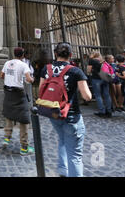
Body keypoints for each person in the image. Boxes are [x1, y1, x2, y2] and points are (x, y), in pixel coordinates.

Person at [39, 42, 92, 177]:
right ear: (71, 55)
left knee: (62, 139)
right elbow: (87, 96)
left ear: (55, 54)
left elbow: (41, 90)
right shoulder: (75, 71)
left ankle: (63, 170)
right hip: (71, 115)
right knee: (75, 155)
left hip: (53, 112)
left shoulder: (46, 69)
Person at [0, 47, 35, 156]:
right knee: (24, 119)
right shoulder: (24, 65)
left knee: (9, 113)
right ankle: (24, 147)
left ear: (14, 54)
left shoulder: (7, 63)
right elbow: (29, 79)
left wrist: (10, 77)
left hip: (8, 92)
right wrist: (32, 79)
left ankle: (6, 138)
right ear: (23, 55)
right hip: (18, 94)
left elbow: (1, 76)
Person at [88, 52, 112, 118]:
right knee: (107, 95)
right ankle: (109, 111)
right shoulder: (103, 61)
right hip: (105, 78)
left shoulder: (92, 60)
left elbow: (88, 70)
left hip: (96, 79)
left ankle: (102, 111)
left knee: (98, 95)